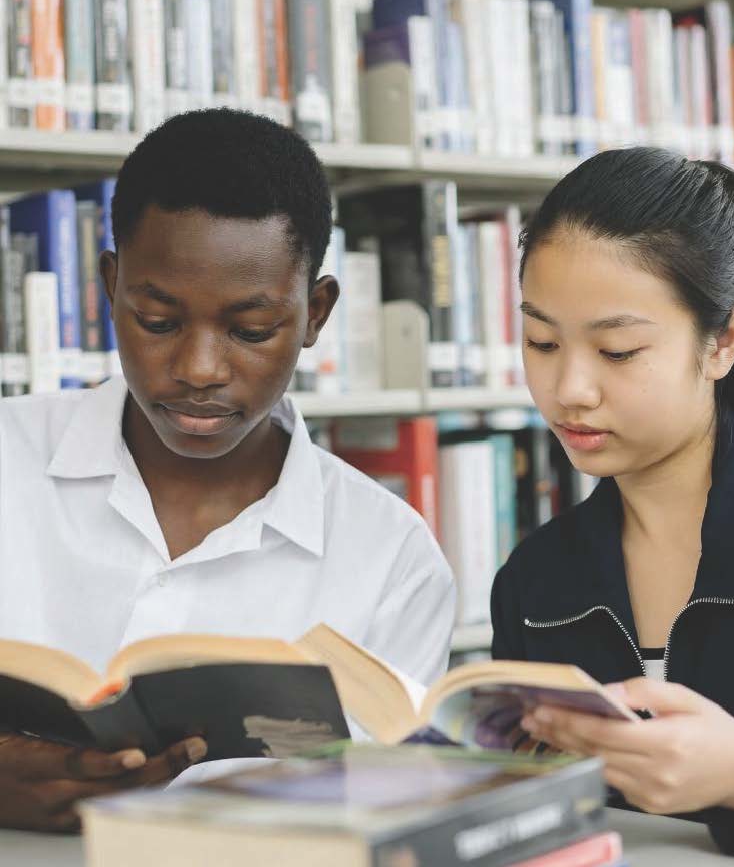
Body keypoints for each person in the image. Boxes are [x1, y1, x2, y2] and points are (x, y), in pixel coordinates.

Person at [0, 108, 455, 831]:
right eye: (157, 321)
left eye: (250, 330)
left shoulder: (390, 561)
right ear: (111, 287)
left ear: (315, 312)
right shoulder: (8, 458)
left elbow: (386, 812)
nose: (198, 370)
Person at [491, 146, 734, 859]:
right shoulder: (534, 582)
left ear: (721, 342)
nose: (569, 390)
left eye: (617, 351)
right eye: (540, 341)